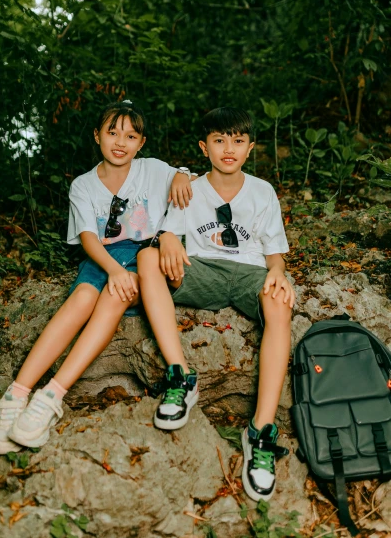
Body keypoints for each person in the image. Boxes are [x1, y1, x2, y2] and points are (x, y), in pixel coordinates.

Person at [0, 99, 195, 454]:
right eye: (112, 132)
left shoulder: (152, 169)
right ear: (96, 136)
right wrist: (113, 269)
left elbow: (187, 178)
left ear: (141, 143)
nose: (120, 141)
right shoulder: (84, 185)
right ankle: (16, 395)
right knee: (82, 297)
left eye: (131, 135)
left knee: (113, 297)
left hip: (144, 253)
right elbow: (87, 237)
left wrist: (181, 172)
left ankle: (50, 396)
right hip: (102, 256)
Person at [137, 106, 294, 502]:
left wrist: (278, 272)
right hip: (203, 269)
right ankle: (181, 376)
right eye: (220, 140)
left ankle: (260, 432)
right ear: (204, 147)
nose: (229, 148)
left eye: (238, 141)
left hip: (248, 274)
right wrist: (166, 238)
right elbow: (167, 235)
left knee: (279, 301)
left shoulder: (263, 192)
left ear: (250, 148)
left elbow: (275, 255)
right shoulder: (189, 188)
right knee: (145, 258)